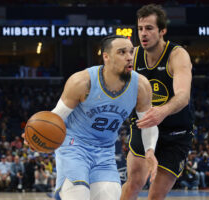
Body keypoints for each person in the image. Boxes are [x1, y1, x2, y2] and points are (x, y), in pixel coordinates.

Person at [22, 35, 158, 200]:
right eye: (122, 52)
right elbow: (56, 116)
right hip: (74, 146)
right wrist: (35, 135)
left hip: (105, 150)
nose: (129, 57)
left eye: (131, 51)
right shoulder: (82, 82)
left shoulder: (141, 86)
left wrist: (150, 150)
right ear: (106, 57)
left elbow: (149, 123)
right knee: (79, 196)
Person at [121, 4, 194, 200]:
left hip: (175, 133)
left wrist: (162, 111)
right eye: (140, 28)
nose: (143, 33)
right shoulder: (132, 56)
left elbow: (183, 96)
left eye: (149, 28)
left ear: (162, 31)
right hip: (144, 126)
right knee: (133, 184)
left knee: (155, 196)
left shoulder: (177, 56)